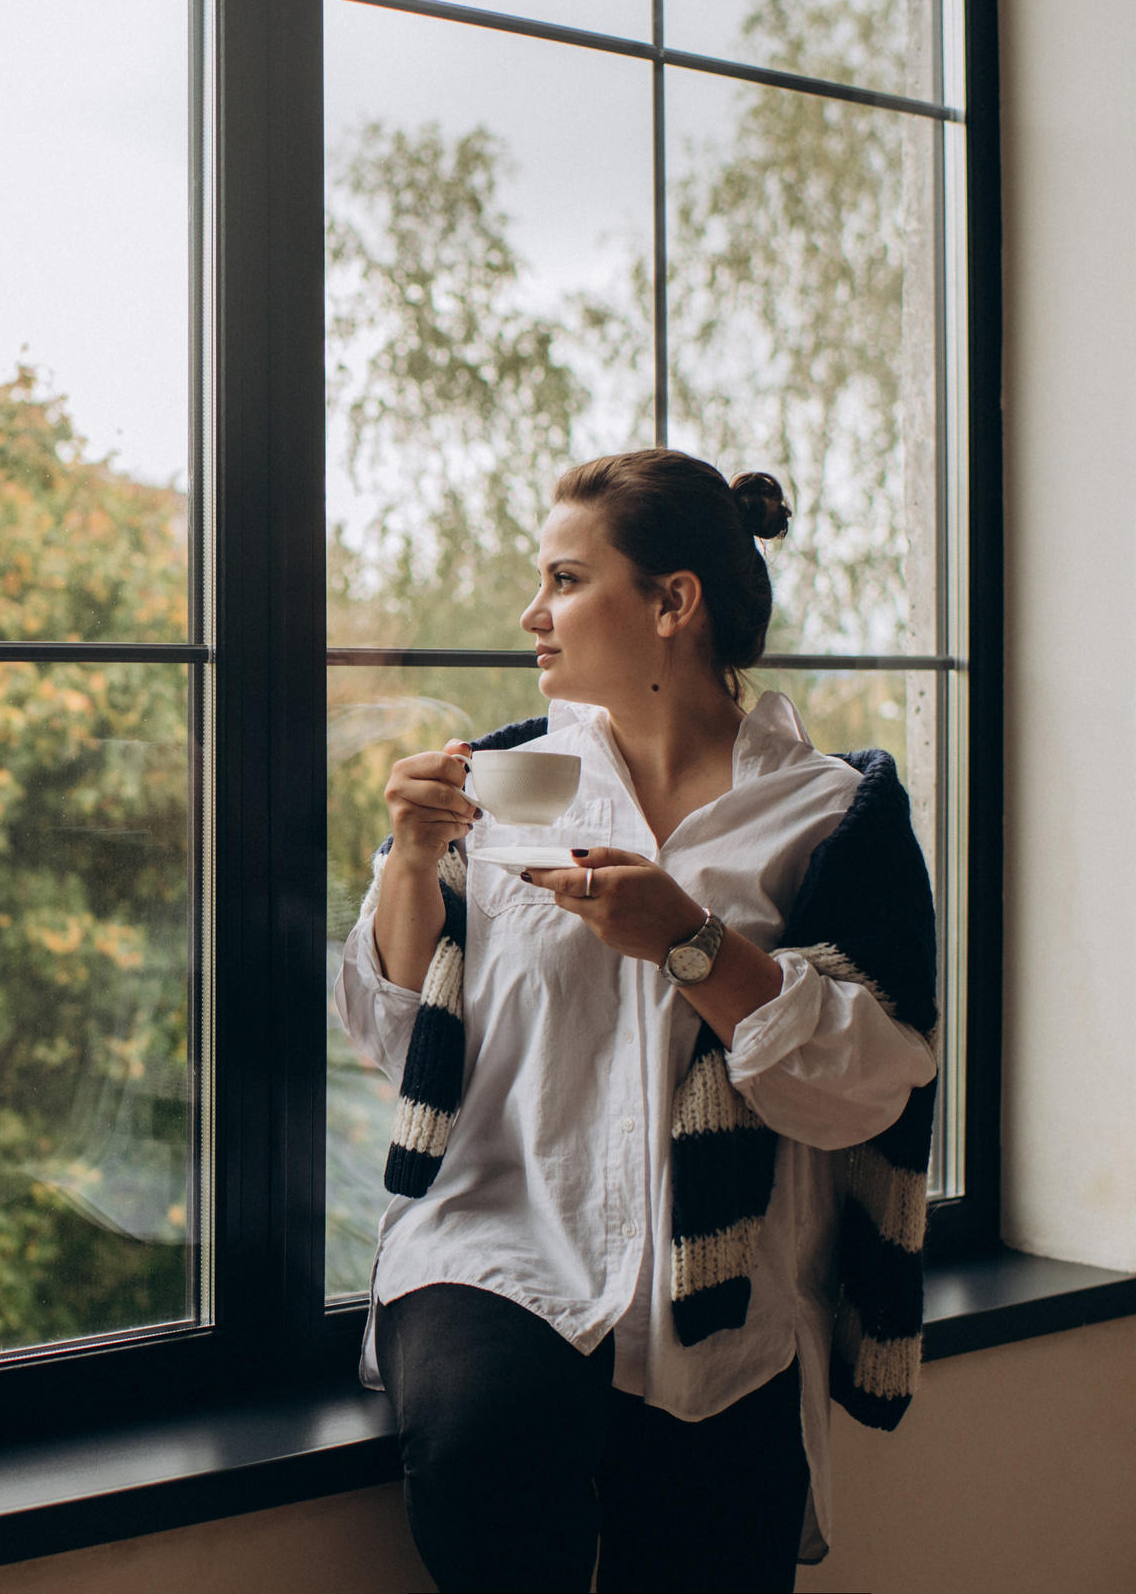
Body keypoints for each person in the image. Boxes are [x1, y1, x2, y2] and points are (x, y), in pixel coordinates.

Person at [334, 449, 940, 1592]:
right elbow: (392, 1037)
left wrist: (693, 945)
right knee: (484, 1459)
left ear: (673, 603)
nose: (532, 613)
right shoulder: (499, 782)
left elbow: (868, 1087)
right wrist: (412, 861)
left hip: (730, 1302)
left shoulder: (831, 818)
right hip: (501, 1246)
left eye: (565, 580)